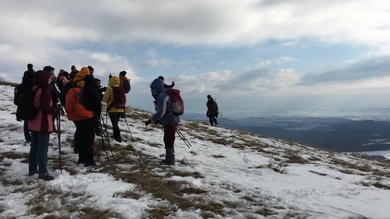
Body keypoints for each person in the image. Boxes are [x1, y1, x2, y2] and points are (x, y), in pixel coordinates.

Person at [28, 70, 60, 181]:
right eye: (49, 78)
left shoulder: (35, 88)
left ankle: (32, 169)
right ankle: (43, 172)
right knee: (43, 148)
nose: (51, 80)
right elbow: (46, 108)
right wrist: (56, 110)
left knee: (34, 147)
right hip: (43, 123)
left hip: (33, 122)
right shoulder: (45, 90)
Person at [76, 73, 101, 166]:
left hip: (80, 118)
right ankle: (89, 161)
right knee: (89, 140)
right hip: (90, 118)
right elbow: (98, 106)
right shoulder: (92, 91)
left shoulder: (82, 91)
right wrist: (97, 115)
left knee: (82, 138)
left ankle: (81, 159)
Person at [151, 89, 180, 165]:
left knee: (168, 139)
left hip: (169, 120)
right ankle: (169, 159)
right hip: (175, 118)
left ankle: (170, 161)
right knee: (169, 138)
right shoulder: (168, 94)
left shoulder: (162, 96)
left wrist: (154, 118)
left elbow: (162, 111)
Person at [103, 75, 126, 143]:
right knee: (116, 123)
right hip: (120, 109)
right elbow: (125, 100)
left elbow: (105, 99)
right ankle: (115, 136)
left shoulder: (110, 89)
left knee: (115, 124)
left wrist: (108, 101)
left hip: (112, 109)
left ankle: (118, 138)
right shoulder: (121, 89)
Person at [21, 63, 35, 143]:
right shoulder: (33, 74)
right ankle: (32, 136)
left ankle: (27, 137)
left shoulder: (25, 75)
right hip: (31, 101)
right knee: (32, 120)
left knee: (26, 121)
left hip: (25, 101)